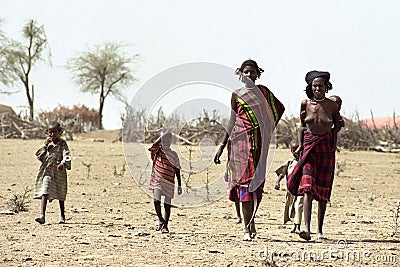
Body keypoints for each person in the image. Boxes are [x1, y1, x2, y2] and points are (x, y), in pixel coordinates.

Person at [214, 59, 285, 241]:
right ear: (241, 73)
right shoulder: (236, 95)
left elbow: (279, 109)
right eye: (246, 72)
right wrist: (221, 147)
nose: (249, 75)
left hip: (259, 147)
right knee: (245, 186)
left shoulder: (264, 93)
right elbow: (231, 122)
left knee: (256, 187)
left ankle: (252, 222)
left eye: (252, 72)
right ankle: (247, 228)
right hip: (239, 146)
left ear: (257, 74)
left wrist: (267, 128)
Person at [287, 70, 342, 241]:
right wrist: (300, 145)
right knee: (308, 188)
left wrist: (333, 145)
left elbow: (337, 125)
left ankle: (319, 230)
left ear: (326, 87)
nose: (318, 88)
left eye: (321, 86)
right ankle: (307, 230)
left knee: (323, 190)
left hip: (326, 149)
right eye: (314, 86)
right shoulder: (305, 104)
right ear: (310, 87)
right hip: (309, 148)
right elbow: (303, 127)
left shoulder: (332, 105)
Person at [34, 121, 71, 224]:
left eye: (54, 132)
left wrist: (63, 163)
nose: (52, 134)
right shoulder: (47, 144)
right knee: (45, 190)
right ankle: (42, 216)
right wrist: (45, 147)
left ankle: (62, 216)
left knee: (60, 193)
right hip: (48, 170)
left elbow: (67, 155)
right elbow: (40, 157)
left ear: (59, 132)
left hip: (59, 172)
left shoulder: (62, 143)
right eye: (50, 132)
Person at [149, 131, 182, 234]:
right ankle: (161, 219)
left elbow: (177, 170)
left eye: (168, 140)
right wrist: (163, 136)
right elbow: (154, 144)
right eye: (164, 141)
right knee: (156, 201)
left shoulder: (173, 155)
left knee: (167, 205)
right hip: (157, 181)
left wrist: (179, 185)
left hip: (169, 182)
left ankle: (165, 226)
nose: (166, 143)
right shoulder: (157, 151)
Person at [274, 138, 303, 234]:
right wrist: (277, 182)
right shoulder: (290, 162)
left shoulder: (304, 163)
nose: (296, 152)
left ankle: (297, 226)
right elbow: (282, 173)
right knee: (289, 206)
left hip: (301, 189)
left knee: (299, 205)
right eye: (293, 150)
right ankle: (292, 222)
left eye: (298, 150)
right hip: (290, 190)